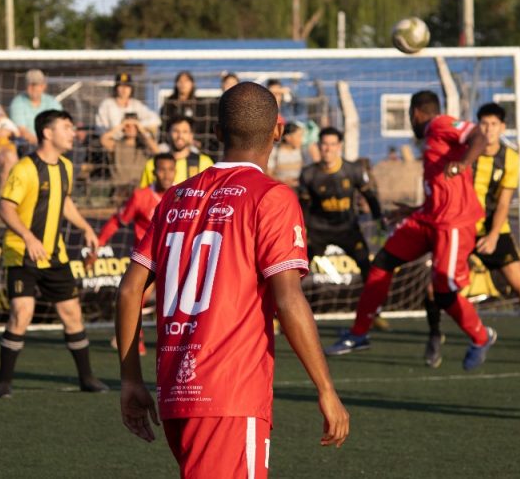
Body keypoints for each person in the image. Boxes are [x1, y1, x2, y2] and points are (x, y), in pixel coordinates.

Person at [116, 82, 349, 475]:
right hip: (229, 395)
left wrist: (130, 381)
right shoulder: (271, 197)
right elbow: (289, 299)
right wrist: (326, 389)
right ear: (278, 130)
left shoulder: (174, 196)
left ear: (218, 133)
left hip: (176, 390)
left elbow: (128, 290)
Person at [326, 90, 497, 372]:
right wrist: (412, 210)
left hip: (453, 223)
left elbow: (478, 133)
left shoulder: (440, 124)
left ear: (416, 113)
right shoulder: (432, 139)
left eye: (409, 117)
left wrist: (465, 163)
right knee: (382, 262)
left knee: (444, 291)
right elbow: (442, 188)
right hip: (428, 215)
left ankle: (481, 336)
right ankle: (359, 334)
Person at [422, 103, 520, 367]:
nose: (489, 129)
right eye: (484, 124)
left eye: (494, 124)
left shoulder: (511, 158)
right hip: (460, 226)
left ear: (502, 127)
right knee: (433, 286)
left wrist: (493, 235)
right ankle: (435, 336)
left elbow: (504, 202)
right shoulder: (467, 151)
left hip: (494, 228)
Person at [0, 109, 107, 398]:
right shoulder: (25, 168)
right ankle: (3, 383)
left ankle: (87, 378)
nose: (72, 133)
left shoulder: (66, 166)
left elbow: (64, 201)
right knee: (22, 311)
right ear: (47, 132)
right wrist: (28, 236)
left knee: (72, 315)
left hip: (55, 256)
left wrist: (85, 228)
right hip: (23, 253)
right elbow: (5, 207)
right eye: (66, 127)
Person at [89, 153, 177, 356]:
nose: (166, 174)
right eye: (162, 170)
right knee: (137, 298)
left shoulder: (180, 195)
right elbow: (117, 221)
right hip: (146, 260)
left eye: (170, 170)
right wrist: (98, 247)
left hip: (171, 258)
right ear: (154, 172)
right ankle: (132, 339)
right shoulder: (141, 197)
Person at [298, 127, 383, 286]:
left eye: (332, 144)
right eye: (324, 144)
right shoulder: (308, 174)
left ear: (339, 146)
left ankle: (374, 308)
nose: (328, 149)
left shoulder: (353, 170)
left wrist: (379, 220)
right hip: (318, 231)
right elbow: (303, 206)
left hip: (347, 229)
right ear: (318, 146)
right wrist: (302, 229)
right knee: (298, 270)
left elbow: (370, 197)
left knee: (366, 265)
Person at [138, 116, 213, 188]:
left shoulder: (205, 163)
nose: (180, 136)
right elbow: (145, 196)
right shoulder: (152, 164)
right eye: (176, 131)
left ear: (191, 136)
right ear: (168, 134)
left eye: (185, 132)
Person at [95, 72, 160, 146]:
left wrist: (136, 124)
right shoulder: (107, 104)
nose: (124, 89)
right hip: (113, 144)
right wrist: (121, 126)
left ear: (131, 89)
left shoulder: (136, 104)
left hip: (134, 144)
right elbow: (100, 129)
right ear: (116, 88)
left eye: (127, 86)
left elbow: (155, 119)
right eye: (121, 86)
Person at [102, 111, 158, 196]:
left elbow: (156, 150)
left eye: (134, 126)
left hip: (139, 189)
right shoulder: (116, 145)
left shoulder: (143, 147)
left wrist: (141, 129)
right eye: (127, 126)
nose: (131, 128)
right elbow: (103, 140)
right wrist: (121, 126)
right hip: (119, 189)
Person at [8, 69, 63, 146]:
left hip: (51, 144)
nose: (33, 88)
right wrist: (42, 145)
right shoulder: (17, 102)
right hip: (27, 145)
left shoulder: (52, 102)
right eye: (29, 85)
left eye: (36, 84)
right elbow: (22, 131)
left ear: (43, 86)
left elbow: (59, 125)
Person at [268, 122, 305, 187]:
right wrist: (283, 182)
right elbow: (268, 173)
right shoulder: (274, 152)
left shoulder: (301, 151)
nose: (301, 139)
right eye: (298, 136)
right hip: (280, 189)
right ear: (288, 137)